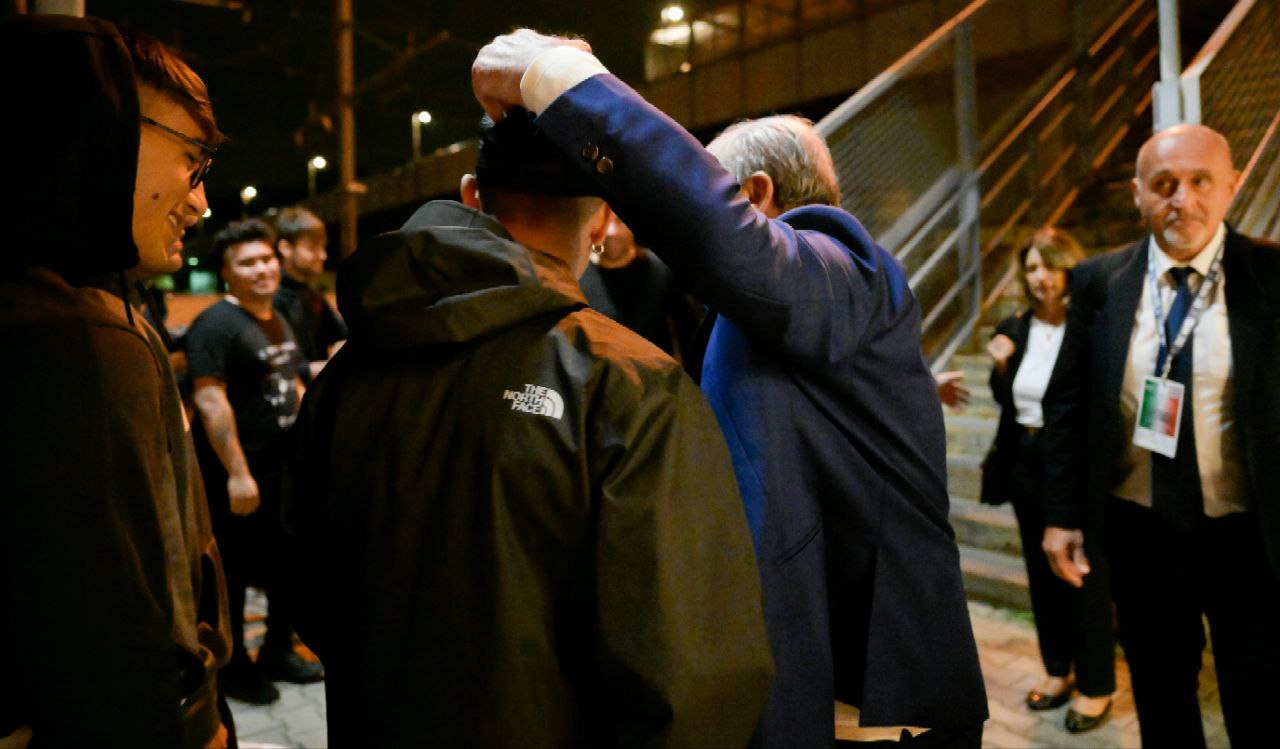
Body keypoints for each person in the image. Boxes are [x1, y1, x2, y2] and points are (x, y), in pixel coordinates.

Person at [472, 30, 987, 748]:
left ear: (754, 196)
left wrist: (560, 77)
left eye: (710, 193)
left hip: (870, 698)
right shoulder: (807, 299)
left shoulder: (842, 260)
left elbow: (718, 239)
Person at [282, 110, 772, 747]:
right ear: (601, 218)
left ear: (471, 197)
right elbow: (691, 674)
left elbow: (307, 586)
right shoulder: (630, 386)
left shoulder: (348, 372)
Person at [0, 16, 231, 748]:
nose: (201, 201)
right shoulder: (85, 335)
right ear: (95, 131)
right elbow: (127, 623)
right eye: (193, 160)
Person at [1041, 124, 1280, 748]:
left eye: (1201, 181)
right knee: (1162, 700)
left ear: (1231, 186)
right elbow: (1067, 402)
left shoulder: (1271, 277)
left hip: (1250, 537)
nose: (1184, 200)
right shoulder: (1098, 282)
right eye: (1164, 185)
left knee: (1261, 702)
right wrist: (1062, 515)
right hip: (1142, 533)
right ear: (1138, 195)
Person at [982, 228, 1115, 732]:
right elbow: (1012, 402)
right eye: (1032, 268)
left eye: (1049, 266)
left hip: (1076, 470)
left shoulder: (1089, 327)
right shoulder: (1015, 327)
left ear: (1070, 268)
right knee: (1042, 577)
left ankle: (1097, 685)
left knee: (1082, 577)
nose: (1040, 278)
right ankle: (1059, 670)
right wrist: (999, 368)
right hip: (1026, 467)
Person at [188, 219, 321, 705]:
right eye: (248, 262)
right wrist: (239, 473)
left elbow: (292, 379)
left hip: (282, 469)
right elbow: (210, 402)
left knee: (286, 562)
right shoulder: (216, 325)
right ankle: (234, 669)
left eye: (267, 258)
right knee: (237, 575)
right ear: (227, 271)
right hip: (242, 475)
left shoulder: (276, 316)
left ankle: (277, 651)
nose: (263, 269)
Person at [578, 214, 700, 361]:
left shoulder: (661, 271)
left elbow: (687, 331)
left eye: (620, 221)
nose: (612, 232)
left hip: (654, 380)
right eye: (604, 223)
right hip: (599, 380)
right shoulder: (577, 276)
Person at [271, 207, 347, 379]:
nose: (323, 255)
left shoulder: (311, 293)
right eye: (313, 248)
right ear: (285, 248)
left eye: (323, 247)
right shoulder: (272, 297)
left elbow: (341, 335)